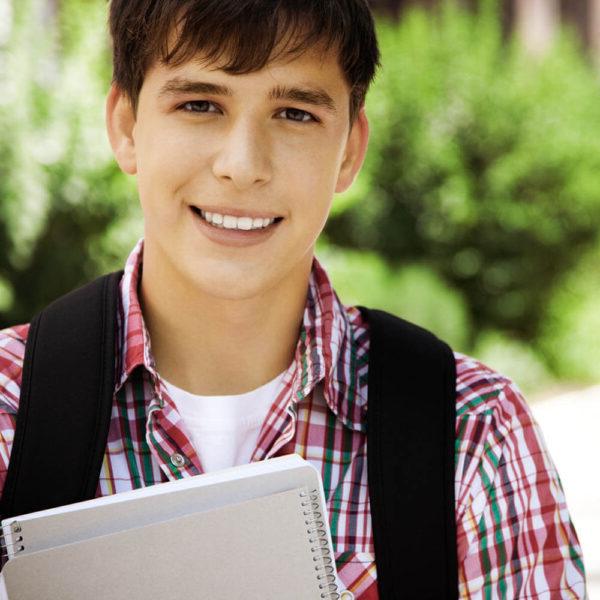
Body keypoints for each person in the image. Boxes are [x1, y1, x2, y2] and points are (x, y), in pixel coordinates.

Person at [0, 0, 587, 597]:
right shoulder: (6, 411)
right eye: (200, 104)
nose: (243, 165)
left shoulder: (472, 433)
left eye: (295, 113)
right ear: (126, 127)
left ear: (350, 150)